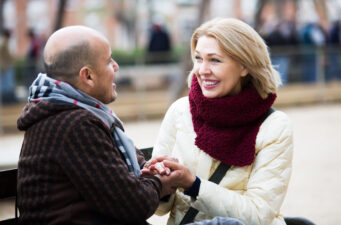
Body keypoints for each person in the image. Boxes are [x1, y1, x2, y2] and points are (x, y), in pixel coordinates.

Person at [16, 25, 182, 225]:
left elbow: (129, 176)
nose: (116, 66)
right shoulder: (74, 125)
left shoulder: (79, 114)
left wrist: (150, 170)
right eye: (109, 61)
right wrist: (159, 182)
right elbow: (134, 204)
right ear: (88, 76)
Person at [145, 18, 293, 225]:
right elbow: (161, 210)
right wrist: (160, 184)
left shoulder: (274, 126)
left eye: (214, 60)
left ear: (244, 66)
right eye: (198, 58)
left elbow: (259, 214)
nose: (202, 70)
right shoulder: (180, 111)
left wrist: (193, 185)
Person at [0, 28, 16, 103]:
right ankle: (8, 100)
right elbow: (5, 55)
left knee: (6, 84)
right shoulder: (4, 42)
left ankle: (7, 99)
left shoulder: (4, 41)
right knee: (7, 84)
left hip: (5, 66)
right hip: (6, 66)